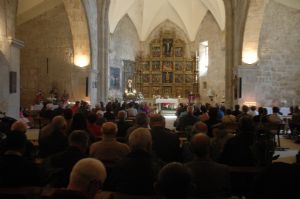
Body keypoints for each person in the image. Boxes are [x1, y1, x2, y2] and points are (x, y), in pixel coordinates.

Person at [111, 128, 163, 195]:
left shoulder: (119, 165)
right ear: (149, 145)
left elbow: (111, 187)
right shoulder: (158, 166)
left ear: (130, 145)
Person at [185, 133, 231, 197]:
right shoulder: (223, 170)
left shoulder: (184, 170)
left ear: (191, 149)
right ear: (210, 148)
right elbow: (227, 194)